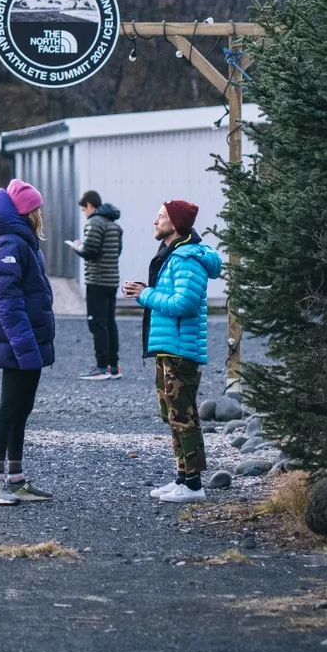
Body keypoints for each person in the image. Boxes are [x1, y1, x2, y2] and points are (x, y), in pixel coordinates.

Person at [121, 198, 221, 502]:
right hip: (168, 346)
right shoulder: (173, 255)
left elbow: (185, 304)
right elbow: (174, 296)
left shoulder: (186, 259)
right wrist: (146, 291)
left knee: (184, 415)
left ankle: (193, 485)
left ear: (175, 225)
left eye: (161, 217)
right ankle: (182, 478)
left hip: (180, 349)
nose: (155, 221)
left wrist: (145, 295)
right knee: (171, 414)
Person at [0, 179, 56, 505]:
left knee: (22, 408)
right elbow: (6, 302)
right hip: (17, 344)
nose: (40, 213)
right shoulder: (10, 245)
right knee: (9, 408)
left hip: (27, 342)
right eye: (36, 208)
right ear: (27, 212)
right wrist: (25, 347)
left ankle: (17, 478)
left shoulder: (22, 243)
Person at [71, 190, 123, 379]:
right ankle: (114, 367)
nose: (84, 213)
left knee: (97, 324)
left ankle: (101, 368)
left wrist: (77, 247)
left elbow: (91, 252)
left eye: (84, 209)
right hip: (112, 281)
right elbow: (117, 252)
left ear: (90, 206)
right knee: (110, 324)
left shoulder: (94, 223)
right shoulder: (114, 225)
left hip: (97, 281)